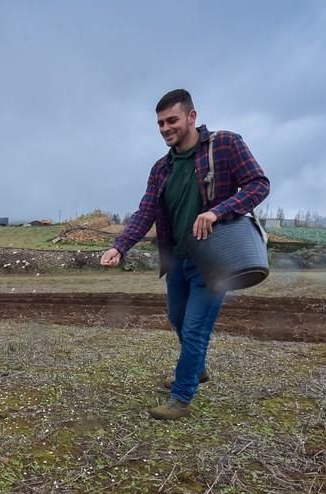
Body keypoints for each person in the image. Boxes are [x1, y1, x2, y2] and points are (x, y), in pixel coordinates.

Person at [100, 89, 269, 419]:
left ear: (192, 117)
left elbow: (258, 184)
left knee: (194, 329)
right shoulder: (161, 169)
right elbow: (146, 211)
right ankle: (197, 368)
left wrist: (218, 212)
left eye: (172, 120)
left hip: (215, 259)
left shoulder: (225, 145)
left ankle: (181, 399)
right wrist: (119, 246)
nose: (165, 128)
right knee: (178, 319)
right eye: (160, 123)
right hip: (177, 261)